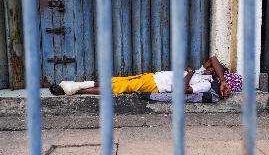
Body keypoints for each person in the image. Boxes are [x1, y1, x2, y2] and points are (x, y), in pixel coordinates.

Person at [50, 56, 231, 98]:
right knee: (118, 81)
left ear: (214, 76)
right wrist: (222, 80)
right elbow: (213, 59)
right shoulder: (202, 72)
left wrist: (190, 73)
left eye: (214, 71)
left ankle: (76, 90)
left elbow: (182, 90)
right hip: (153, 77)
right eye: (214, 70)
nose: (211, 69)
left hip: (156, 86)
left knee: (120, 87)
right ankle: (77, 86)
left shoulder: (205, 85)